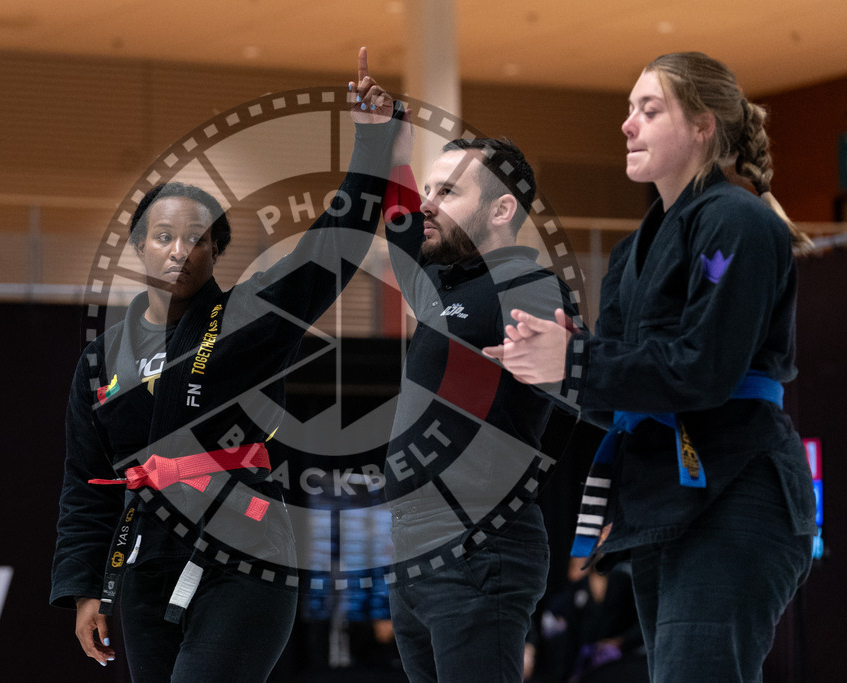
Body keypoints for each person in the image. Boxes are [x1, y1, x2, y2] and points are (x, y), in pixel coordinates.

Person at [50, 49, 410, 682]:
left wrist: (373, 144)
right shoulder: (101, 359)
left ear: (216, 250)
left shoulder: (248, 318)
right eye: (162, 236)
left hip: (245, 555)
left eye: (195, 238)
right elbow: (86, 482)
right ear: (138, 248)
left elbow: (328, 249)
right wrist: (86, 589)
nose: (178, 251)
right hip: (147, 564)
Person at [485, 51, 816, 683]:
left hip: (735, 491)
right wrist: (551, 368)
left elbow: (703, 368)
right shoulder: (634, 249)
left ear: (703, 126)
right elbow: (617, 393)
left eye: (650, 109)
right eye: (629, 109)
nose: (627, 124)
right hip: (665, 503)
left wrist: (577, 362)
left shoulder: (736, 221)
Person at [377, 118, 578, 676]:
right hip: (413, 546)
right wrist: (385, 150)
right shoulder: (445, 286)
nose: (428, 205)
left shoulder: (528, 289)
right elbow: (402, 234)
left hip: (476, 544)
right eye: (427, 190)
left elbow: (576, 398)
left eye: (448, 192)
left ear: (500, 209)